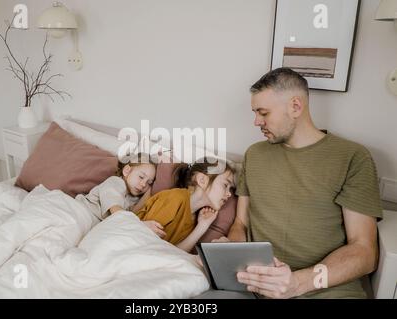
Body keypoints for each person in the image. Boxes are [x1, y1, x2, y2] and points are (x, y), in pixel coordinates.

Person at [227, 67, 382, 298]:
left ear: (296, 107)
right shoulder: (255, 154)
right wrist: (230, 254)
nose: (256, 122)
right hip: (256, 284)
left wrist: (298, 283)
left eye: (263, 113)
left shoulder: (352, 157)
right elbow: (240, 222)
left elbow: (364, 251)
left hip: (325, 288)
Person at [135, 157, 235, 252]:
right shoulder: (174, 198)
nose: (229, 194)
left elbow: (177, 253)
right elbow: (143, 241)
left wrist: (202, 226)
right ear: (202, 180)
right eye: (225, 185)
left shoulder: (194, 218)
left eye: (230, 188)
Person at [75, 153, 156, 223]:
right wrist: (141, 225)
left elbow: (135, 212)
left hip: (92, 223)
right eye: (141, 177)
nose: (143, 184)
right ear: (127, 171)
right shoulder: (115, 182)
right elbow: (116, 211)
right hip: (81, 212)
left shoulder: (133, 198)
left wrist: (151, 188)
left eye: (149, 183)